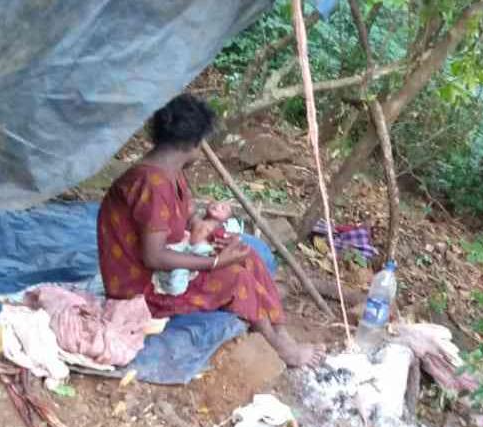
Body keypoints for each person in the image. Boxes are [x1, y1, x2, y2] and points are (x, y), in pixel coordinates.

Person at [97, 94, 324, 367]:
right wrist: (215, 262)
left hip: (166, 271)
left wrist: (207, 222)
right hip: (141, 291)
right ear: (193, 142)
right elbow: (153, 257)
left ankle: (280, 332)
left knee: (248, 255)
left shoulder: (170, 171)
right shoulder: (151, 183)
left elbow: (185, 218)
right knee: (236, 278)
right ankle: (283, 349)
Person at [151, 201, 232, 296]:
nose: (217, 206)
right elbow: (187, 216)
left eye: (223, 208)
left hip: (197, 254)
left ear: (225, 220)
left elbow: (222, 242)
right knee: (168, 251)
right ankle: (160, 275)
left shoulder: (219, 229)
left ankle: (169, 286)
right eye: (215, 203)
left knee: (178, 282)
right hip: (183, 248)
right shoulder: (197, 219)